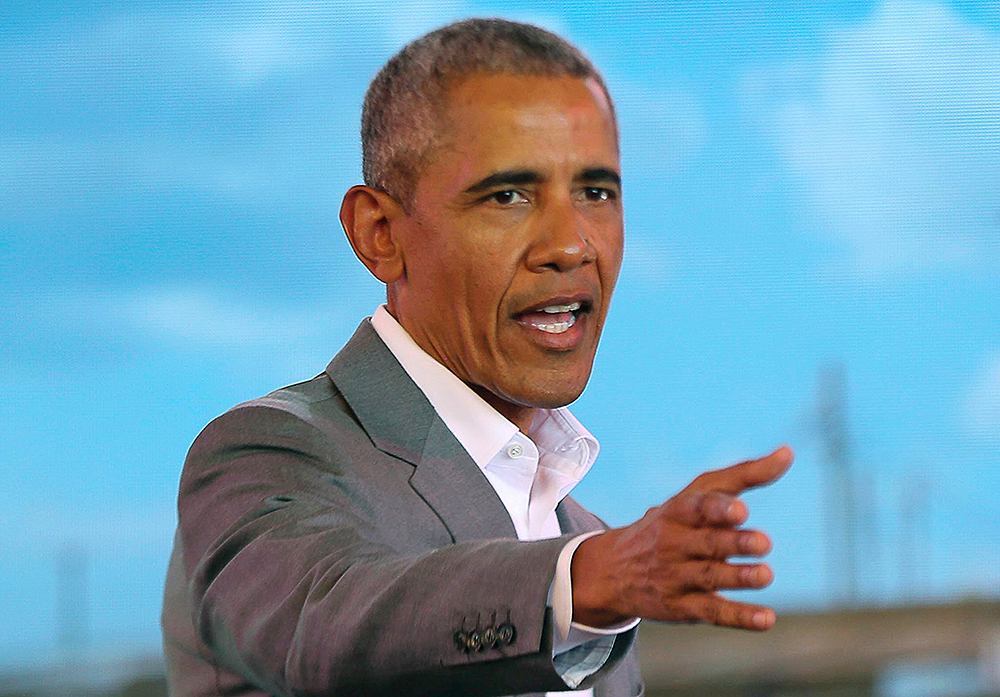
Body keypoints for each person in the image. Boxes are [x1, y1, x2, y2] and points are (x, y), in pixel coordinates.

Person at [161, 18, 793, 697]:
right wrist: (586, 581)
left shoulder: (585, 535)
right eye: (509, 194)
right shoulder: (267, 452)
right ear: (380, 234)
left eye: (596, 191)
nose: (571, 244)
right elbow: (328, 628)